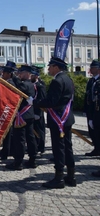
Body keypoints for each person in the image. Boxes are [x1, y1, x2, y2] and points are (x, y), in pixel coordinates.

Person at [37, 57, 76, 188]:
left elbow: (51, 101)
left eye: (50, 66)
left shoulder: (57, 81)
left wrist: (35, 102)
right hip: (67, 118)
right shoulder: (68, 79)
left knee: (58, 148)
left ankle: (59, 178)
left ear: (57, 67)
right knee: (67, 146)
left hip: (58, 119)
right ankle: (71, 176)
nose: (48, 69)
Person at [6, 65, 38, 170]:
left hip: (22, 116)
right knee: (30, 138)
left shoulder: (27, 84)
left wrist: (14, 77)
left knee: (20, 139)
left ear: (28, 73)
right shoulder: (30, 84)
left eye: (21, 72)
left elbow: (21, 89)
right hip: (28, 115)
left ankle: (18, 162)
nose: (19, 74)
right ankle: (32, 159)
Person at [0, 61, 17, 161]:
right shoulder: (7, 82)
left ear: (9, 74)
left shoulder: (10, 83)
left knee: (8, 133)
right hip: (6, 110)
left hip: (8, 111)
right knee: (6, 133)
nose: (2, 75)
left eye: (4, 73)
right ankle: (6, 151)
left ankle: (6, 152)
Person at [83, 60, 100, 156]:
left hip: (97, 111)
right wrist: (85, 110)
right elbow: (87, 96)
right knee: (92, 131)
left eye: (93, 67)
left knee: (98, 130)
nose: (91, 69)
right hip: (91, 111)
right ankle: (96, 148)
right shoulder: (91, 81)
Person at [31, 66, 47, 155]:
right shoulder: (31, 84)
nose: (31, 77)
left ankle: (41, 146)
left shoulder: (40, 85)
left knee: (40, 130)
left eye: (32, 75)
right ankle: (35, 146)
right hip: (31, 111)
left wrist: (38, 113)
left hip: (38, 112)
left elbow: (42, 100)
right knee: (34, 130)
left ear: (36, 76)